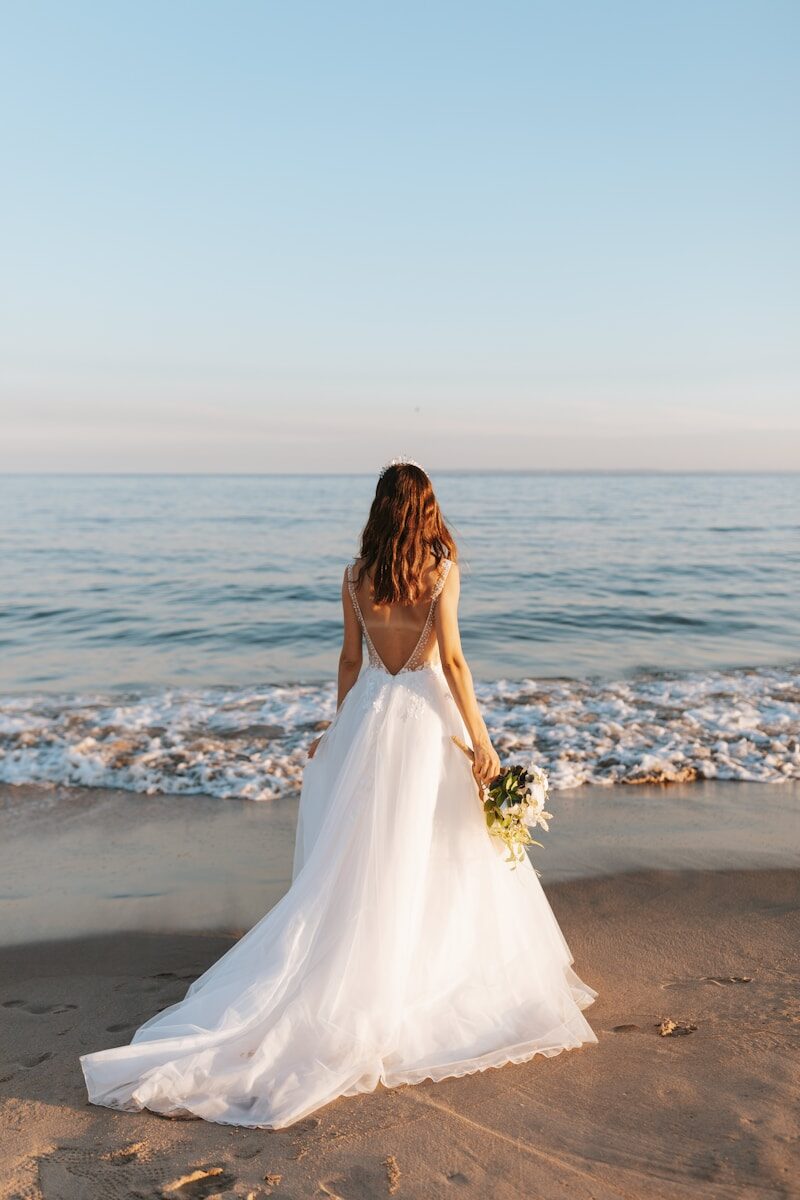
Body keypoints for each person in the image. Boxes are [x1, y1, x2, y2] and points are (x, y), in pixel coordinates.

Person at [80, 459, 598, 1129]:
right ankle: (422, 966)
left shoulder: (354, 578)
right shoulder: (440, 574)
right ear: (425, 511)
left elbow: (351, 661)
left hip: (371, 718)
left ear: (380, 510)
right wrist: (483, 741)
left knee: (362, 854)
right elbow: (457, 662)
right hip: (428, 722)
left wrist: (339, 726)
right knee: (437, 849)